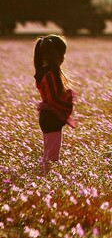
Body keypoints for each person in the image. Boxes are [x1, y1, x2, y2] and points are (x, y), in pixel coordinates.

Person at [33, 35, 77, 171]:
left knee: (48, 153)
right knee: (52, 157)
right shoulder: (50, 74)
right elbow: (53, 99)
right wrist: (68, 104)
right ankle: (45, 179)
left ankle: (43, 175)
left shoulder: (43, 72)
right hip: (51, 117)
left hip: (47, 116)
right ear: (57, 55)